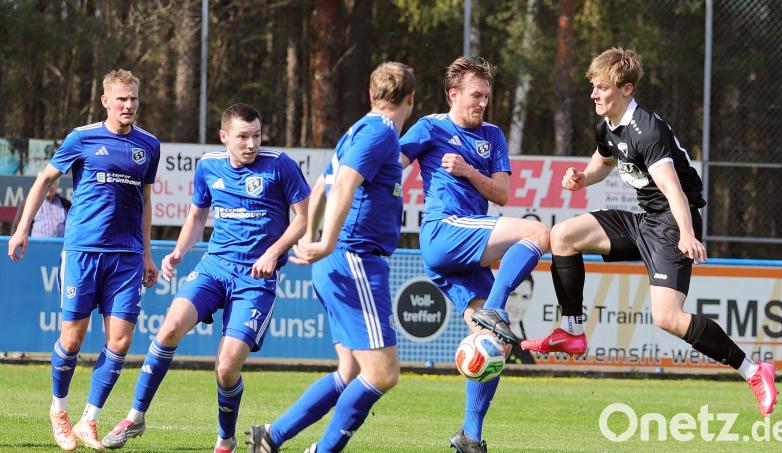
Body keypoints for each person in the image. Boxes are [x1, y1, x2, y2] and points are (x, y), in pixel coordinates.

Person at [521, 47, 778, 416]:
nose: (594, 94)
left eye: (603, 87)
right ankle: (572, 330)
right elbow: (603, 160)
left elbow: (673, 189)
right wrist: (582, 178)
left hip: (674, 223)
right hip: (645, 220)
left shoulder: (647, 131)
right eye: (593, 87)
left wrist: (687, 234)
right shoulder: (607, 124)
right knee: (563, 235)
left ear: (626, 89)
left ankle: (755, 371)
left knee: (667, 318)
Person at [101, 103, 310, 452]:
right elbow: (197, 217)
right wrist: (179, 252)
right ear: (224, 136)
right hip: (215, 267)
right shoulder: (209, 166)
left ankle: (225, 438)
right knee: (169, 328)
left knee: (226, 368)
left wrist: (274, 252)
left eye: (256, 135)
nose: (251, 144)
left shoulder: (280, 166)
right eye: (243, 137)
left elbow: (303, 217)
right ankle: (135, 416)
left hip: (255, 280)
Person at [245, 62, 415, 453]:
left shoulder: (356, 130)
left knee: (350, 370)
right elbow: (341, 189)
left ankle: (271, 436)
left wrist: (311, 239)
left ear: (371, 96)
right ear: (411, 99)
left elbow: (319, 187)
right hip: (354, 259)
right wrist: (324, 242)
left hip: (339, 258)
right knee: (384, 374)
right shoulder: (380, 133)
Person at [399, 57, 550, 453]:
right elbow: (392, 164)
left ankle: (470, 436)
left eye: (486, 95)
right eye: (475, 95)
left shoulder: (493, 135)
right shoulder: (431, 127)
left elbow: (501, 194)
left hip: (464, 251)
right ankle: (495, 308)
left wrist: (468, 170)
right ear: (453, 94)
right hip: (444, 232)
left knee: (494, 344)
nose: (482, 102)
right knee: (537, 232)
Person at [7, 69, 160, 451]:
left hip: (126, 258)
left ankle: (88, 419)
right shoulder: (82, 137)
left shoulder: (149, 146)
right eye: (121, 99)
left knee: (121, 341)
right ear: (106, 101)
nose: (128, 105)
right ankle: (59, 409)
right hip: (83, 252)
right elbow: (43, 180)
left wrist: (147, 252)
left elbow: (146, 200)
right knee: (72, 339)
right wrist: (22, 227)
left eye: (134, 98)